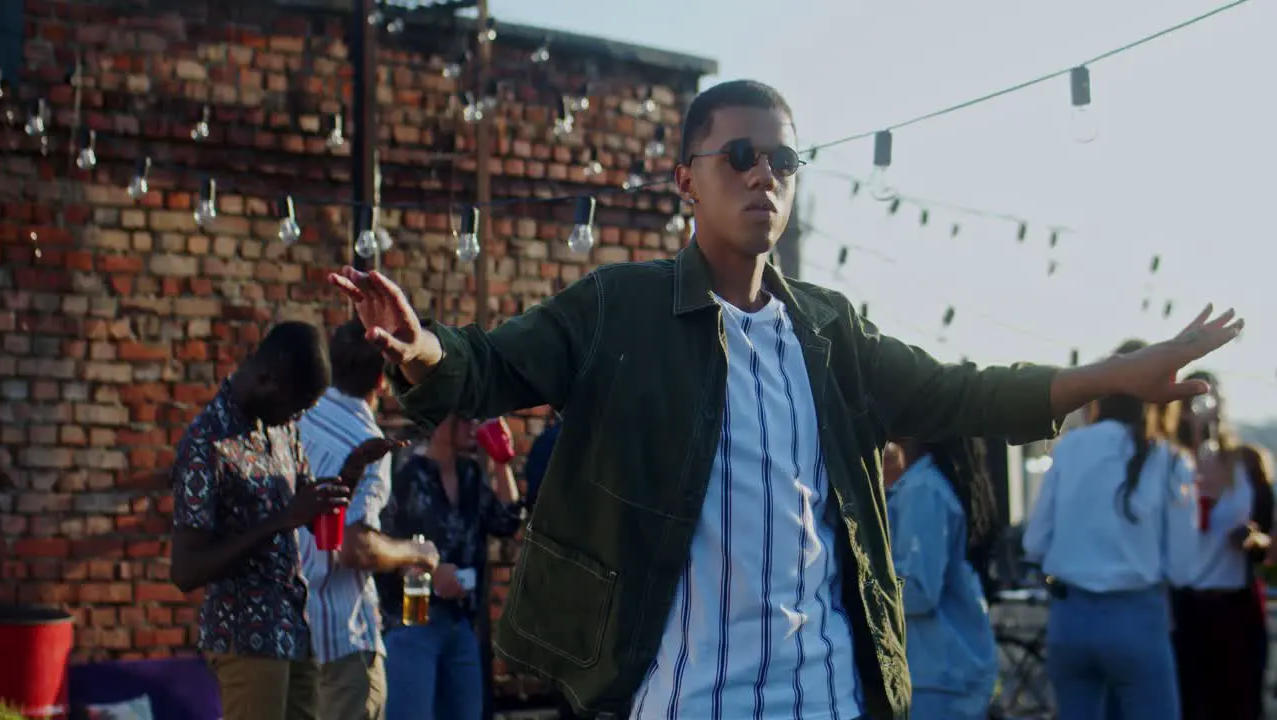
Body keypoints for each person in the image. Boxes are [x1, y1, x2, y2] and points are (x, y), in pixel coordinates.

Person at [328, 79, 1243, 719]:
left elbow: (960, 393)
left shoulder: (830, 330)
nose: (764, 172)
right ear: (686, 178)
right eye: (738, 154)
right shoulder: (623, 308)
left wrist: (1118, 377)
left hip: (834, 694)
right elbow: (486, 367)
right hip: (688, 697)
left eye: (783, 158)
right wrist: (420, 347)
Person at [169, 321, 395, 720]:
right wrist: (281, 520)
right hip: (246, 639)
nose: (299, 417)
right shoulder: (207, 443)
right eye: (297, 405)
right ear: (267, 380)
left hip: (295, 630)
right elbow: (186, 569)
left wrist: (351, 473)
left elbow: (309, 513)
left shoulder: (279, 429)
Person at [1022, 340, 1198, 720]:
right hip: (1137, 618)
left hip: (1070, 618)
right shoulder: (1168, 460)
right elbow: (1185, 567)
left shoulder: (1068, 448)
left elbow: (1034, 541)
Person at [295, 319, 440, 720]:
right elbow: (355, 548)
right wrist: (417, 552)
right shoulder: (368, 442)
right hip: (342, 640)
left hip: (287, 640)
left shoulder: (296, 417)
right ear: (383, 378)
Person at [378, 414, 522, 720]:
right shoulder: (406, 475)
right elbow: (381, 546)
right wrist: (430, 573)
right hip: (413, 620)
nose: (475, 426)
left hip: (461, 622)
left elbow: (507, 521)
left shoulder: (469, 475)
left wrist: (502, 461)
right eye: (466, 418)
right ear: (440, 423)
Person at [1171, 372, 1273, 720]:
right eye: (1193, 400)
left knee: (1240, 706)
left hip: (1236, 607)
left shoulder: (1246, 463)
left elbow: (1268, 539)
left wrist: (1252, 538)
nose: (1203, 408)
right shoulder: (1169, 463)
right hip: (1186, 609)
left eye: (1210, 397)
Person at [882, 437, 1000, 719]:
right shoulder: (927, 482)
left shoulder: (923, 488)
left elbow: (919, 590)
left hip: (936, 675)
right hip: (944, 672)